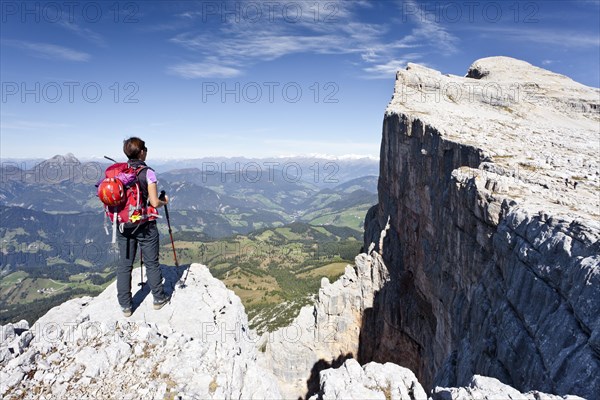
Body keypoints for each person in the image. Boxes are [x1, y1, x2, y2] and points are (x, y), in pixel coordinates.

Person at [117, 137, 170, 317]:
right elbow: (154, 203)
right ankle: (158, 298)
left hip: (123, 224)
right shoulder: (148, 173)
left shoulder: (120, 171)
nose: (146, 151)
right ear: (141, 152)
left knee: (125, 264)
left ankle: (125, 306)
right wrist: (164, 201)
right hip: (144, 225)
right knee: (151, 262)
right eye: (145, 148)